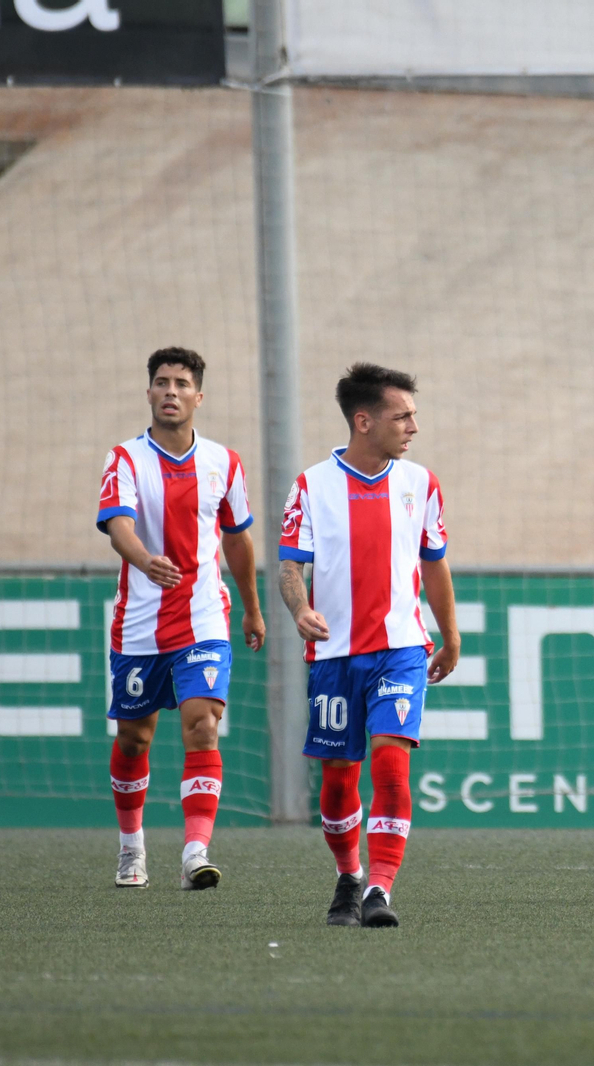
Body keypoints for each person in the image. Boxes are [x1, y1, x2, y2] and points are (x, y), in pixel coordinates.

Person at [279, 363, 460, 927]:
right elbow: (290, 567)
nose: (413, 427)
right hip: (334, 656)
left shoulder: (421, 483)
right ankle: (349, 876)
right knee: (338, 781)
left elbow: (434, 564)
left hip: (400, 649)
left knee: (390, 763)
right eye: (401, 416)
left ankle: (380, 889)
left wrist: (450, 634)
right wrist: (300, 608)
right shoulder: (311, 485)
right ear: (364, 421)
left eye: (413, 415)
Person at [97, 347, 265, 890]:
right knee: (134, 739)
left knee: (203, 725)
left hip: (204, 618)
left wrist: (252, 608)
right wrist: (145, 559)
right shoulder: (125, 459)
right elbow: (118, 525)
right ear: (149, 392)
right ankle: (131, 847)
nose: (171, 391)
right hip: (140, 624)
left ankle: (196, 852)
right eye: (162, 382)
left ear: (198, 396)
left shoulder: (224, 462)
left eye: (182, 383)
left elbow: (237, 540)